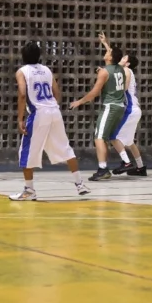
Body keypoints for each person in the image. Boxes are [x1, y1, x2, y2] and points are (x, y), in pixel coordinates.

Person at [11, 41, 90, 200]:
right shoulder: (47, 70)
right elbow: (56, 92)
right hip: (54, 110)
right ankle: (79, 183)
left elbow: (21, 94)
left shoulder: (22, 71)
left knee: (26, 152)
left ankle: (29, 190)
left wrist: (20, 119)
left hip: (38, 112)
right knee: (65, 147)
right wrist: (52, 106)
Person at [70, 34, 126, 181]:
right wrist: (105, 43)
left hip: (110, 106)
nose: (105, 53)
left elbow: (94, 93)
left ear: (110, 57)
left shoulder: (104, 72)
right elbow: (114, 57)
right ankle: (108, 165)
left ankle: (103, 169)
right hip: (120, 106)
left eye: (107, 52)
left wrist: (79, 102)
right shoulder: (119, 69)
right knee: (106, 137)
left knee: (99, 137)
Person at [111, 53, 147, 176]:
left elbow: (124, 87)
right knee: (130, 142)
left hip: (131, 110)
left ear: (128, 63)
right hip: (135, 110)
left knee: (113, 136)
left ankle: (126, 163)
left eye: (124, 58)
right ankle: (141, 167)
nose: (121, 59)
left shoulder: (126, 70)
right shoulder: (126, 70)